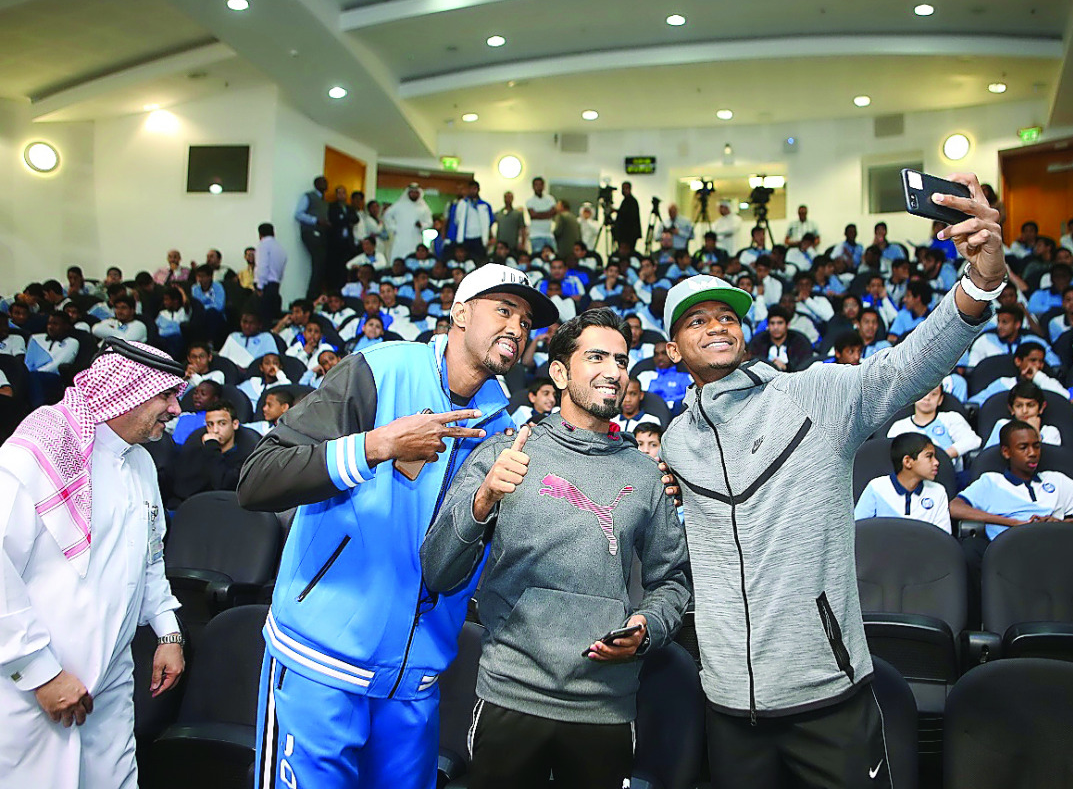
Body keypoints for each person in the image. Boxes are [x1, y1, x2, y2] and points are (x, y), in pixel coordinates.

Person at [657, 173, 1007, 789]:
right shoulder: (677, 442)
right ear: (671, 349)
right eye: (696, 321)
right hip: (729, 705)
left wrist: (979, 282)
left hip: (828, 693)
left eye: (726, 317)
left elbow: (908, 365)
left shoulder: (813, 394)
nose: (716, 326)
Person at [236, 264, 558, 789]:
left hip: (414, 678)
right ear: (459, 313)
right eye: (504, 310)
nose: (518, 328)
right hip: (323, 659)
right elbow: (257, 479)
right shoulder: (377, 370)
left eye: (525, 321)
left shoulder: (502, 428)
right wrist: (378, 445)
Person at [420, 307, 690, 789]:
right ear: (560, 372)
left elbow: (671, 581)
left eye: (622, 360)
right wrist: (483, 502)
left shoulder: (647, 473)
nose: (614, 372)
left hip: (604, 705)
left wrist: (648, 627)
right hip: (511, 694)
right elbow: (437, 570)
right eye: (597, 358)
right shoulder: (507, 450)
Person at [0, 338, 186, 788]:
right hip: (29, 690)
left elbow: (150, 556)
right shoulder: (34, 454)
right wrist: (42, 674)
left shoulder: (139, 463)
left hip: (111, 680)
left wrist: (168, 630)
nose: (176, 410)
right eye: (166, 395)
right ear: (126, 391)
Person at [951, 421, 1073, 543]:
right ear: (1006, 452)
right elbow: (954, 507)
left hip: (1056, 546)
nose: (1033, 453)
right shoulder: (991, 481)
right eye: (1023, 447)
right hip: (1008, 551)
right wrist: (1013, 523)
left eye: (1036, 446)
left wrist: (1065, 523)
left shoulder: (1056, 480)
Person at [854, 432, 951, 533]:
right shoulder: (877, 487)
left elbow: (943, 536)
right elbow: (857, 528)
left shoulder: (938, 491)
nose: (936, 462)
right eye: (929, 456)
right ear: (907, 461)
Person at [171, 399, 257, 505]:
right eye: (210, 425)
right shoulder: (198, 446)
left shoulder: (245, 454)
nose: (215, 430)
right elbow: (182, 488)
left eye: (222, 424)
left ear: (235, 424)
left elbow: (223, 485)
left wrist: (212, 447)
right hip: (195, 506)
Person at [886, 381, 980, 476]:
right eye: (923, 393)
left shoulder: (951, 418)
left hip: (948, 475)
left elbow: (973, 440)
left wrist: (943, 455)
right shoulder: (899, 426)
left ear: (940, 399)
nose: (927, 398)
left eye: (934, 394)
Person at [960, 304, 1057, 369]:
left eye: (1005, 322)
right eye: (999, 321)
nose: (999, 326)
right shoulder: (984, 341)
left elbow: (1055, 365)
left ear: (1017, 324)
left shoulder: (1034, 341)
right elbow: (972, 370)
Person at [982, 380, 1064, 448]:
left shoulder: (1051, 432)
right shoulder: (1002, 425)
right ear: (1011, 409)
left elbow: (1051, 461)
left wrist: (1035, 433)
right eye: (1019, 406)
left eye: (1030, 405)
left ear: (1041, 408)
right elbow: (988, 458)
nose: (1024, 411)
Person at [296, 176, 330, 299]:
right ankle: (311, 295)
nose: (325, 184)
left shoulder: (325, 202)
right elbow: (298, 214)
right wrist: (315, 220)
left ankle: (317, 293)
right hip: (311, 232)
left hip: (321, 234)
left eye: (326, 182)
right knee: (318, 262)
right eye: (322, 182)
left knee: (321, 264)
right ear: (315, 184)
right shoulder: (308, 196)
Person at [383, 183, 434, 263]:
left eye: (416, 192)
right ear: (408, 193)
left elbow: (429, 222)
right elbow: (387, 215)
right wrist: (393, 227)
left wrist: (422, 225)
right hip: (401, 238)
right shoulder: (399, 205)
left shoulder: (423, 207)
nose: (414, 194)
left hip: (416, 237)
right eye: (412, 192)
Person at [446, 180, 494, 262]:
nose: (472, 191)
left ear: (478, 189)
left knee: (479, 260)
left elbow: (489, 223)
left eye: (474, 188)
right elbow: (457, 220)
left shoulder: (485, 205)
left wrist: (490, 237)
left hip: (479, 238)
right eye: (470, 189)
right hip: (465, 238)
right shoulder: (462, 204)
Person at [255, 222, 287, 320]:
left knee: (262, 318)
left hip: (266, 286)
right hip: (276, 285)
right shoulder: (280, 248)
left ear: (260, 234)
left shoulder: (263, 245)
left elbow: (262, 266)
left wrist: (260, 286)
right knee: (272, 318)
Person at [614, 181, 641, 251]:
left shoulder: (632, 202)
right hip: (624, 234)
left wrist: (616, 211)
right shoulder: (625, 201)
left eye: (626, 188)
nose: (624, 190)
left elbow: (629, 216)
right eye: (623, 189)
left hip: (629, 235)